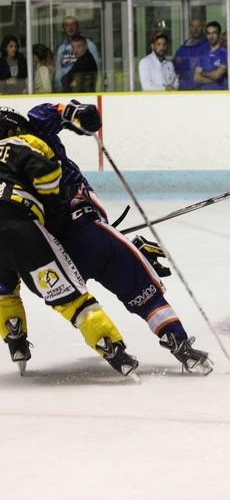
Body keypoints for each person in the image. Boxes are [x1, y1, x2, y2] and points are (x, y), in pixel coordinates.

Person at [22, 101, 213, 374]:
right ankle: (179, 343)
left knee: (77, 306)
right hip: (87, 228)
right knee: (142, 291)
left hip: (49, 252)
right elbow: (53, 113)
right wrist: (78, 113)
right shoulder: (34, 129)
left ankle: (111, 348)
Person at [0, 108, 138, 376]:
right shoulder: (22, 143)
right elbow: (47, 172)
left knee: (4, 289)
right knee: (70, 297)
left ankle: (15, 340)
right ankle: (113, 349)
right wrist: (55, 209)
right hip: (21, 227)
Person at [54, 16, 100, 92]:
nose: (70, 27)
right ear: (63, 28)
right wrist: (59, 91)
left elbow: (95, 73)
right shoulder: (61, 49)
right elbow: (58, 74)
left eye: (73, 24)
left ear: (77, 27)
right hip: (66, 91)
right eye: (67, 25)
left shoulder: (89, 45)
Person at [173, 18, 209, 91]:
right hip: (184, 89)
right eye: (193, 26)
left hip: (202, 89)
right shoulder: (183, 48)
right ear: (189, 28)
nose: (195, 29)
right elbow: (176, 67)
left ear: (202, 28)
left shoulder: (208, 46)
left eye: (198, 26)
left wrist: (186, 62)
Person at [194, 21, 227, 91]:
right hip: (205, 93)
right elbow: (196, 78)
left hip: (220, 93)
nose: (211, 36)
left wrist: (203, 73)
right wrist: (214, 80)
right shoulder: (203, 53)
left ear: (219, 35)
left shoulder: (224, 53)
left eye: (214, 33)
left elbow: (217, 75)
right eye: (209, 33)